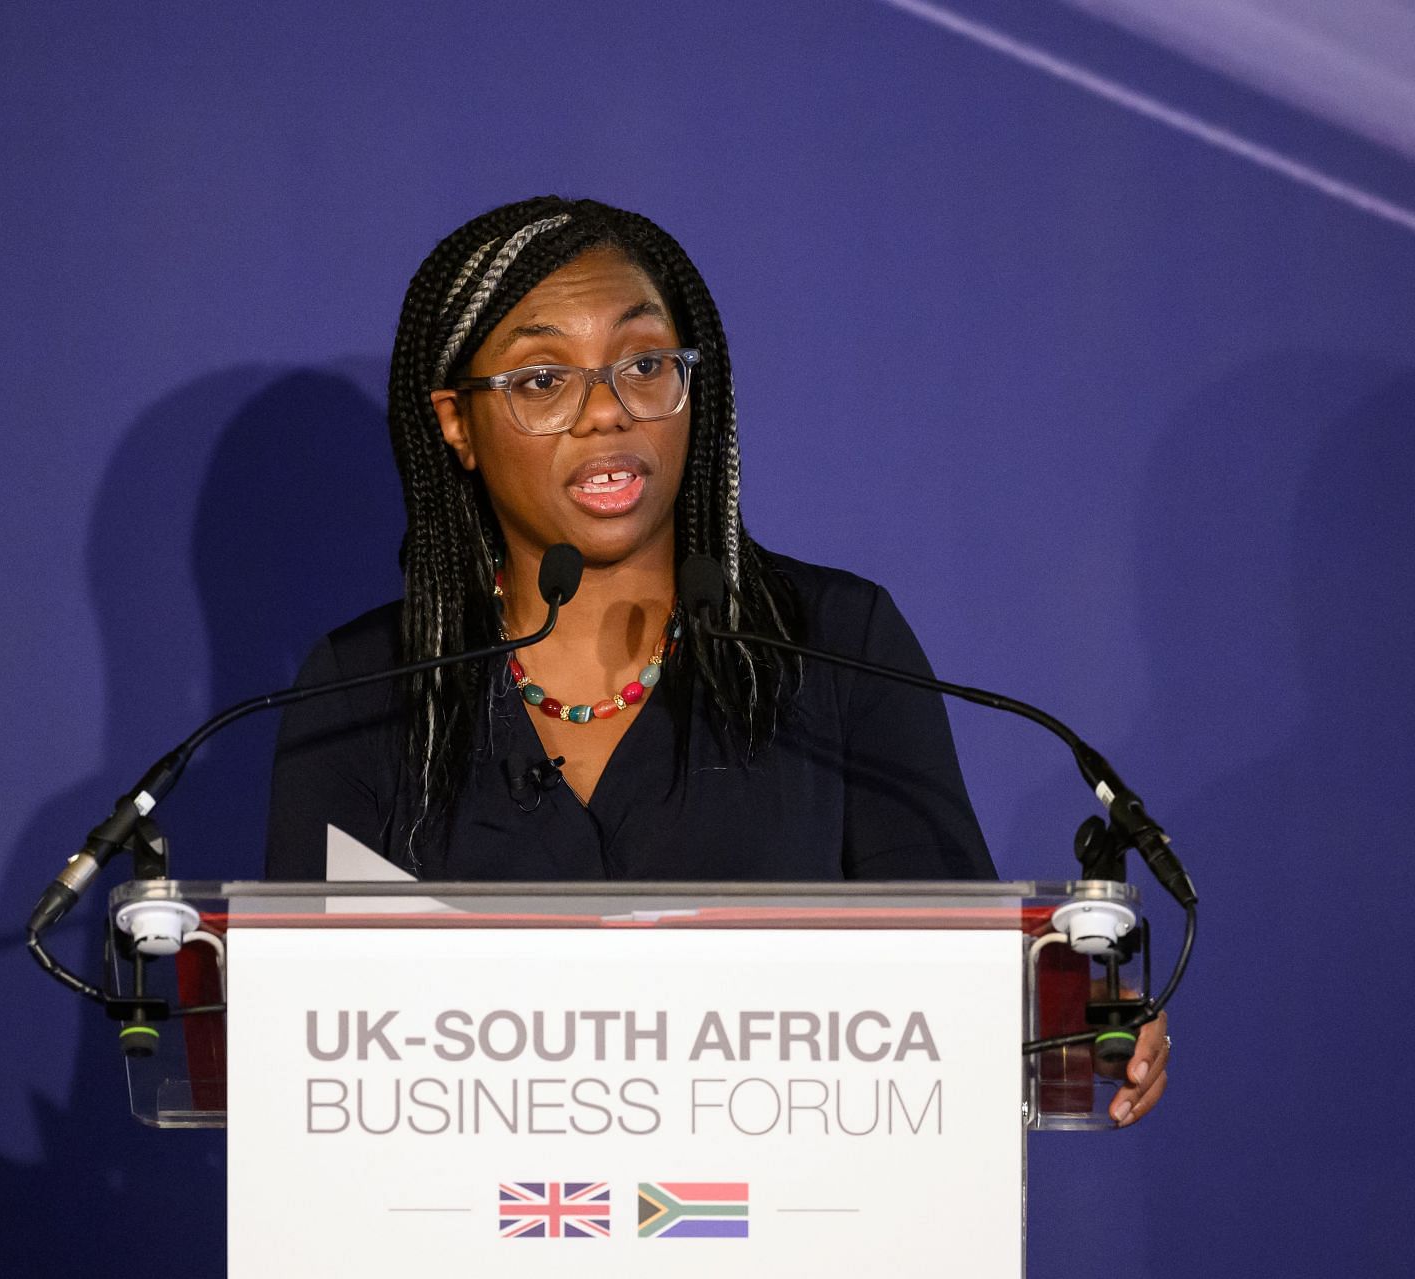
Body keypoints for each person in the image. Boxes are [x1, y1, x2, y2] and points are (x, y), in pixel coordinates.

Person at [265, 196, 1168, 1124]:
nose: (608, 412)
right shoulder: (370, 687)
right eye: (542, 379)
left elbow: (958, 981)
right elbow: (303, 1052)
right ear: (456, 423)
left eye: (647, 364)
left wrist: (1058, 1011)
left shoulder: (834, 644)